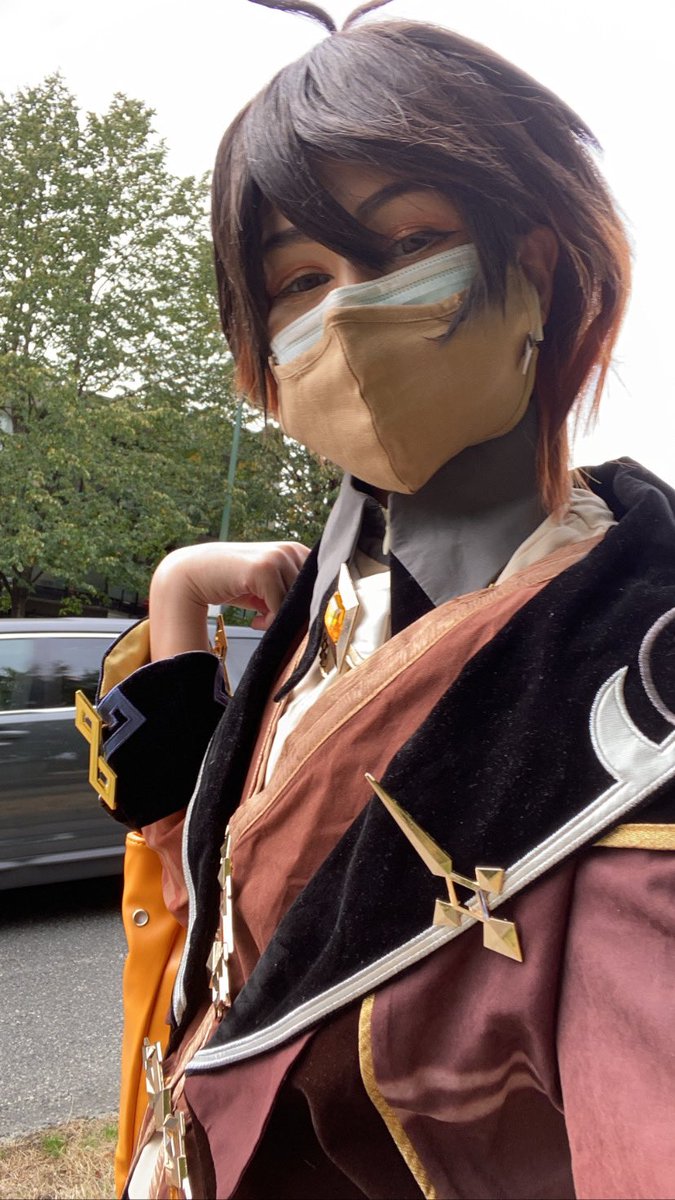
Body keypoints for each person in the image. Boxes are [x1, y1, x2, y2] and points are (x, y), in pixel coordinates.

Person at [86, 2, 675, 1197]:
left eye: (408, 245)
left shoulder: (634, 675)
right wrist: (179, 589)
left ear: (536, 268)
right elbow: (186, 849)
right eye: (301, 278)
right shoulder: (332, 600)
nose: (350, 314)